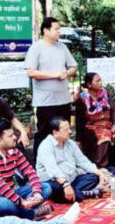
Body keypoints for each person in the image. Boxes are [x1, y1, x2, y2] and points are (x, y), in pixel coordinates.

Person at [0, 120, 53, 220]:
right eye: (10, 136)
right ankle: (30, 213)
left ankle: (20, 212)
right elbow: (0, 185)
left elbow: (30, 171)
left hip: (10, 195)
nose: (15, 137)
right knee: (4, 204)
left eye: (13, 134)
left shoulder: (14, 151)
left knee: (45, 187)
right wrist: (21, 202)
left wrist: (36, 193)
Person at [25, 17, 78, 160]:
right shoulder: (36, 48)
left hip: (63, 98)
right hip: (45, 101)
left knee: (64, 131)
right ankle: (39, 164)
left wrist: (67, 73)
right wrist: (54, 75)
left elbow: (73, 66)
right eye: (56, 29)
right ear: (46, 30)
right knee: (44, 132)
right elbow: (31, 72)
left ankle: (64, 161)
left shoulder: (62, 47)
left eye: (59, 29)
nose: (59, 32)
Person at [36, 117, 109, 203]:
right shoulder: (46, 146)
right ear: (55, 132)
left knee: (94, 177)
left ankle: (74, 194)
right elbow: (53, 171)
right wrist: (65, 184)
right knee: (51, 188)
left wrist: (100, 173)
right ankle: (85, 194)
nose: (70, 132)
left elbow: (83, 161)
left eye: (69, 128)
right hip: (55, 181)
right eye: (66, 130)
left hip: (72, 179)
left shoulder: (70, 143)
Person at [75, 72, 115, 167]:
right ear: (89, 84)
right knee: (105, 135)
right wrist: (78, 139)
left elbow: (113, 110)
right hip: (92, 125)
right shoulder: (82, 98)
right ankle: (100, 165)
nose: (100, 83)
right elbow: (79, 119)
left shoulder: (105, 93)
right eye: (97, 81)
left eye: (101, 80)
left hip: (107, 123)